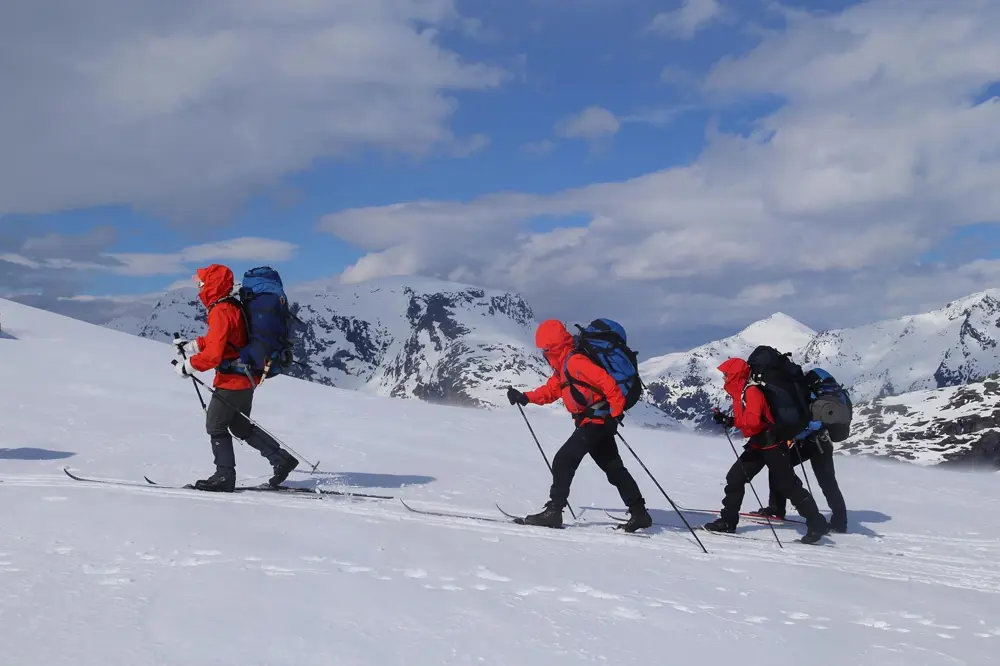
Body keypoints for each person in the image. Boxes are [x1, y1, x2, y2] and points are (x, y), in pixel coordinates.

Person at [505, 319, 652, 532]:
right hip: (596, 421)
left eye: (545, 349)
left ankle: (554, 512)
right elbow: (552, 390)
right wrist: (525, 397)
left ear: (553, 346)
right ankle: (640, 513)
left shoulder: (575, 362)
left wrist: (615, 412)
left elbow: (607, 384)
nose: (544, 354)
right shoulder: (565, 365)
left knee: (564, 460)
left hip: (597, 421)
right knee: (613, 468)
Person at [172, 264, 299, 492]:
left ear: (212, 283)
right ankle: (281, 459)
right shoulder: (231, 306)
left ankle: (224, 476)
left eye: (201, 282)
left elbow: (214, 354)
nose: (199, 286)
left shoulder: (221, 310)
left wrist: (189, 366)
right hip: (246, 377)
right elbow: (225, 338)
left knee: (216, 425)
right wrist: (192, 345)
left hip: (232, 379)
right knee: (239, 426)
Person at [705, 357, 829, 544]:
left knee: (788, 485)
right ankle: (728, 522)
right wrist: (729, 420)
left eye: (726, 374)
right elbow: (752, 420)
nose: (724, 378)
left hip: (771, 444)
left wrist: (735, 422)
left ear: (735, 374)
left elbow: (754, 422)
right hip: (759, 444)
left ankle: (816, 522)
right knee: (735, 478)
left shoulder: (752, 391)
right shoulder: (743, 391)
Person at [750, 422, 849, 532]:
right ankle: (840, 522)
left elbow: (810, 422)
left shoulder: (810, 405)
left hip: (813, 441)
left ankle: (777, 508)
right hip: (818, 441)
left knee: (780, 466)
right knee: (826, 481)